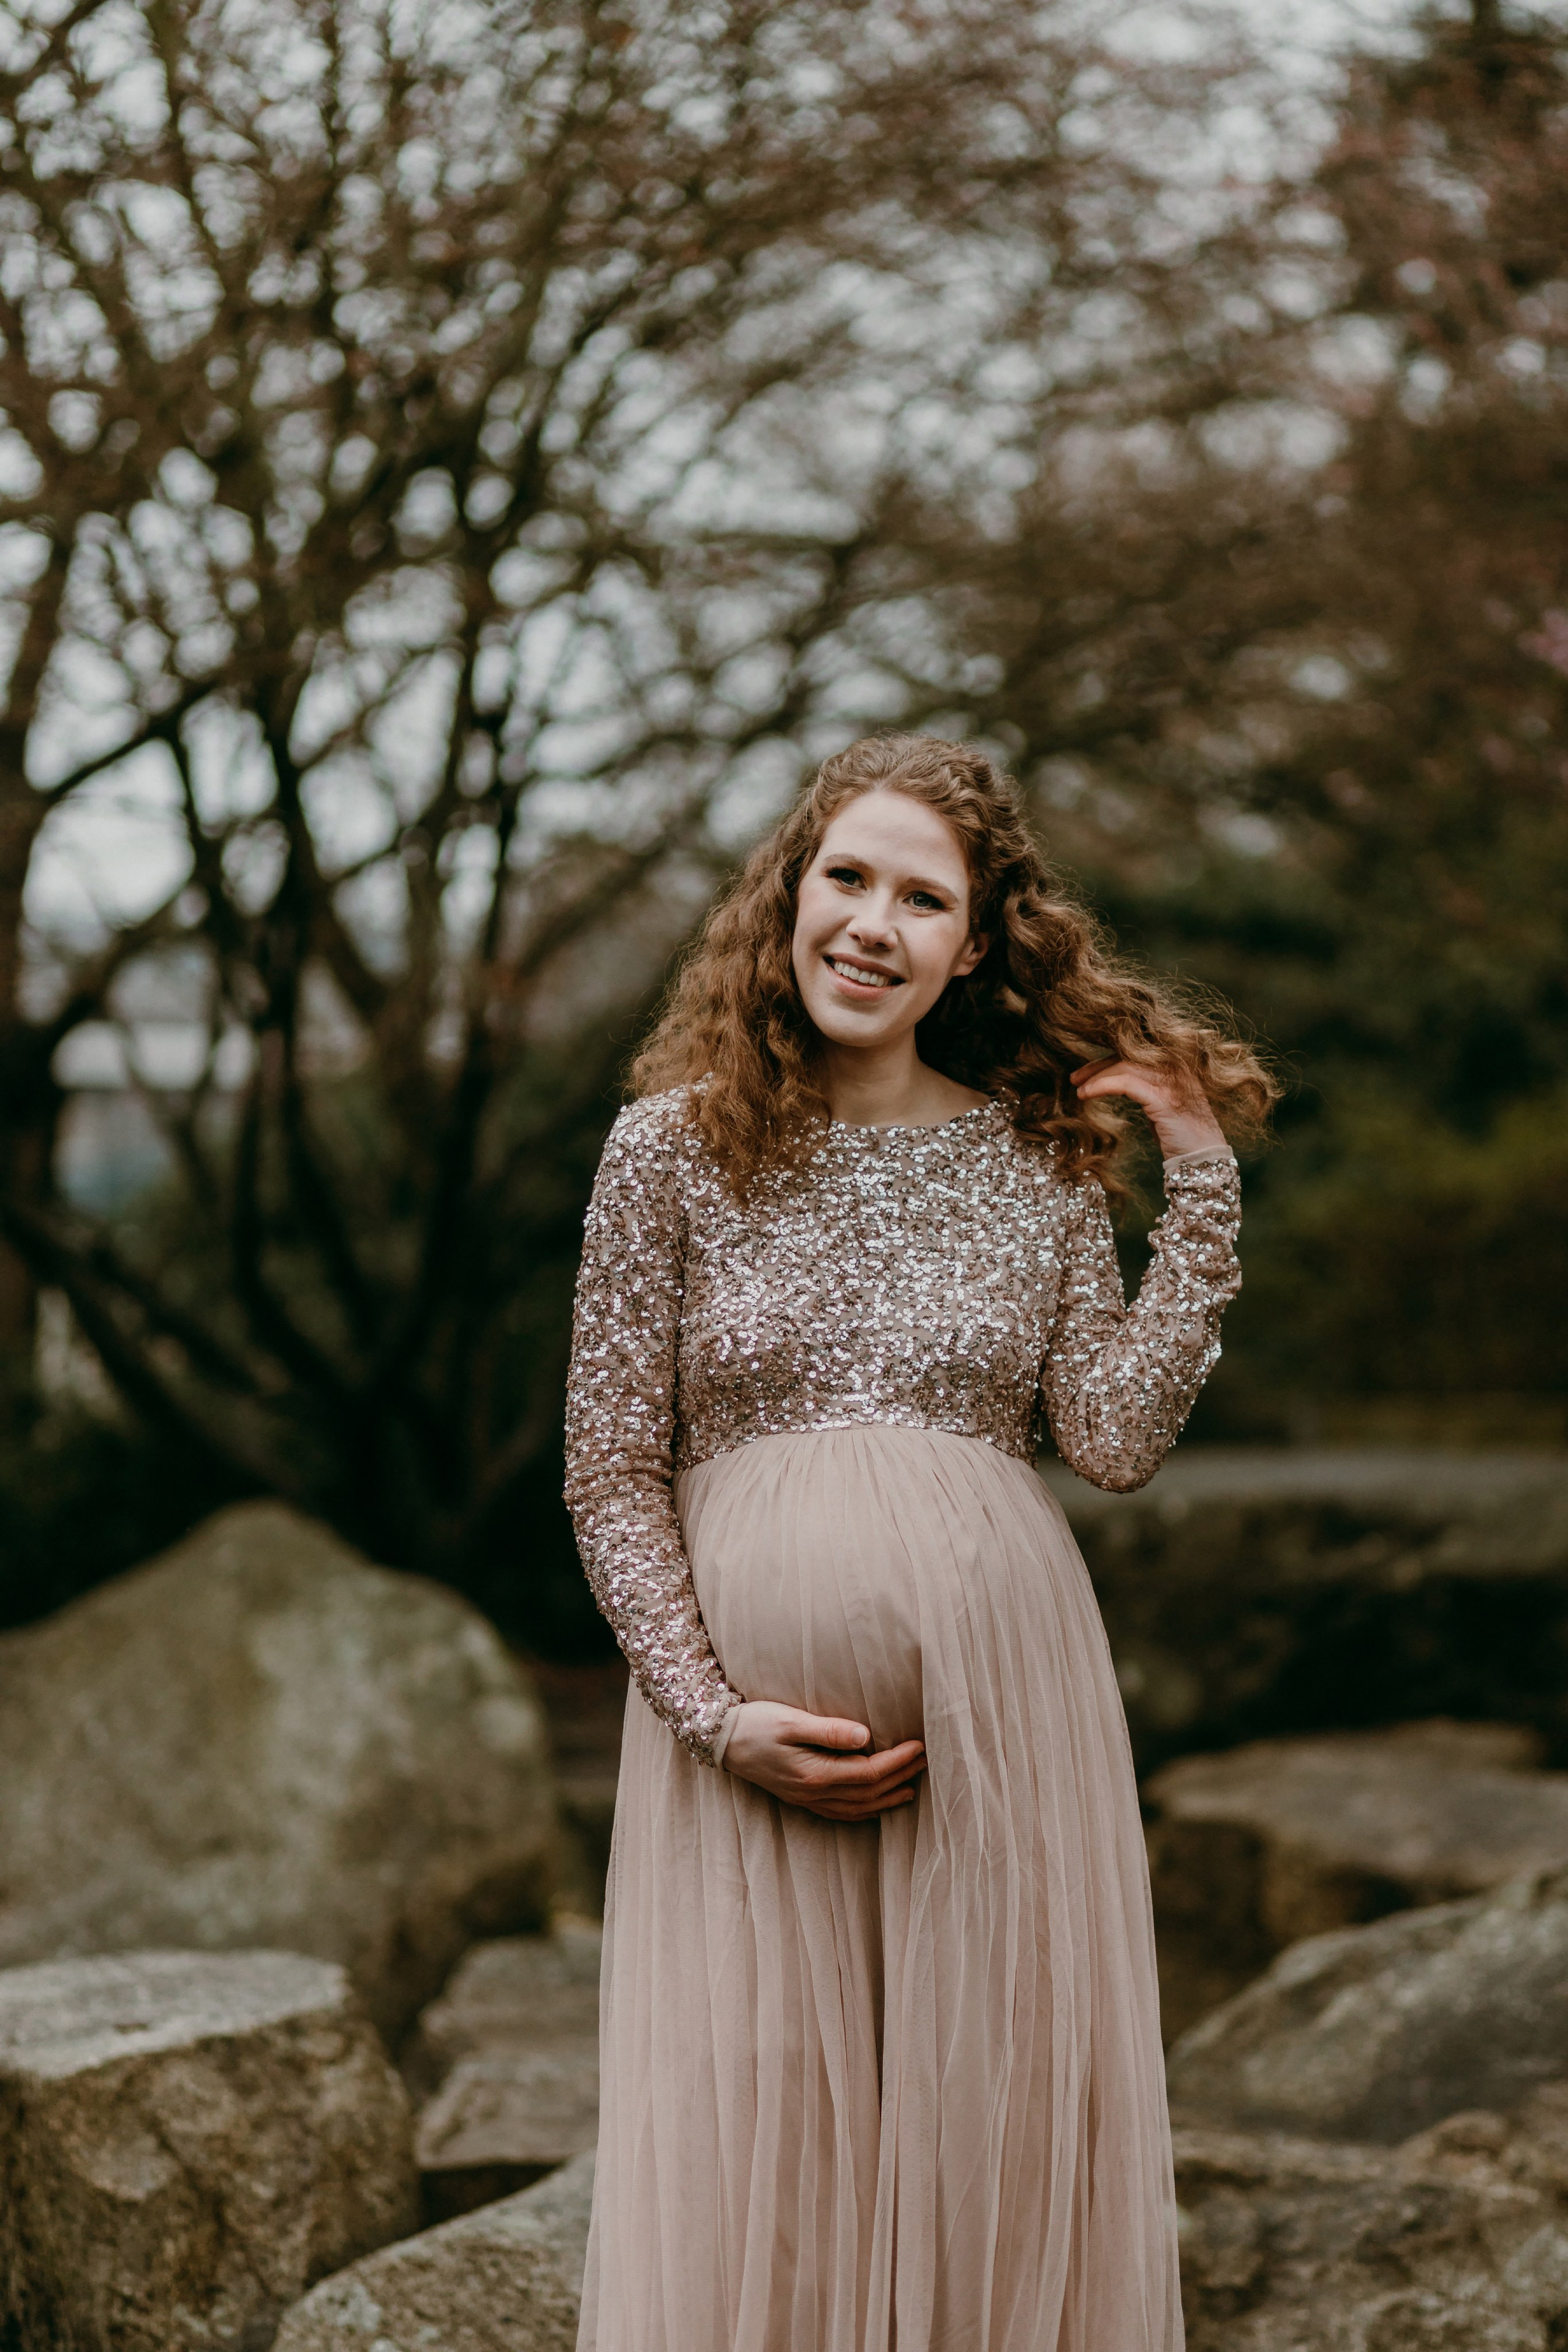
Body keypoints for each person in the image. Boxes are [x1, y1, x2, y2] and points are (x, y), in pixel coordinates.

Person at [563, 733, 1275, 2352]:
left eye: (921, 896)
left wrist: (1204, 1189)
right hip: (742, 1757)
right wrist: (711, 1712)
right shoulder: (667, 1150)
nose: (873, 921)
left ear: (973, 944)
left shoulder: (1037, 1161)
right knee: (757, 2166)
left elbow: (1111, 1439)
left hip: (1005, 1735)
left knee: (991, 2155)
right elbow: (609, 1473)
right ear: (791, 898)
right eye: (848, 877)